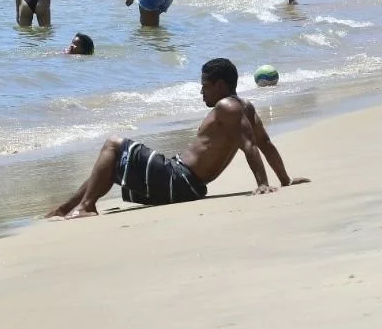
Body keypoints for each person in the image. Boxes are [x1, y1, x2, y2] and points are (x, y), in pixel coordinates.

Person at [47, 58, 308, 218]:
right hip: (183, 182)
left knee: (113, 144)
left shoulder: (228, 107)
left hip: (180, 180)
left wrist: (263, 183)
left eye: (204, 85)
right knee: (114, 161)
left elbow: (250, 146)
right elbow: (265, 144)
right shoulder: (245, 108)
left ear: (219, 85)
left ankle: (87, 205)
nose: (201, 91)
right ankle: (68, 207)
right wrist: (284, 179)